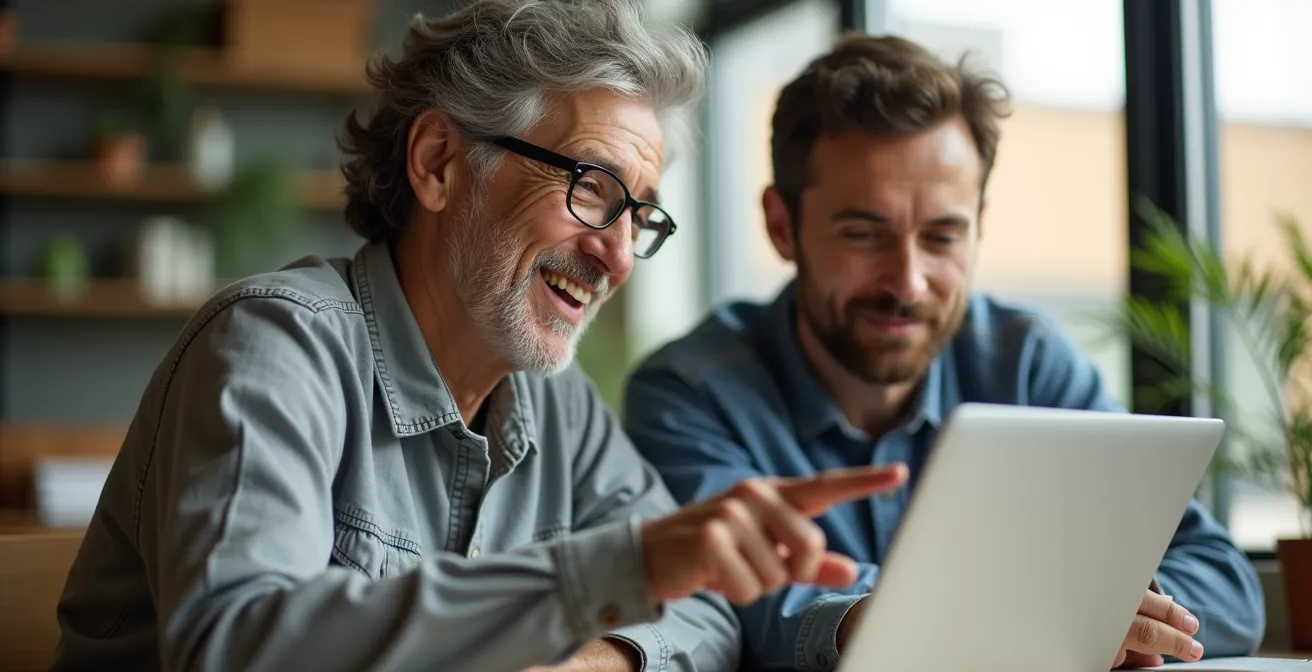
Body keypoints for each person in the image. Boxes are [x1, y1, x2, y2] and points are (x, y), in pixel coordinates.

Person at [50, 4, 911, 671]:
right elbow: (234, 647)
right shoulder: (277, 345)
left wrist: (596, 656)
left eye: (639, 215)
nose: (616, 252)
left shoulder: (557, 407)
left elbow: (708, 614)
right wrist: (606, 576)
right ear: (437, 163)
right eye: (591, 186)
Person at [623, 33, 1267, 671]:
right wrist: (1057, 613)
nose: (908, 281)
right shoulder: (688, 393)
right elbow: (737, 608)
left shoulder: (1028, 363)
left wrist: (1126, 623)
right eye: (864, 233)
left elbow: (1225, 581)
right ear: (782, 226)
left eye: (942, 236)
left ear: (978, 225)